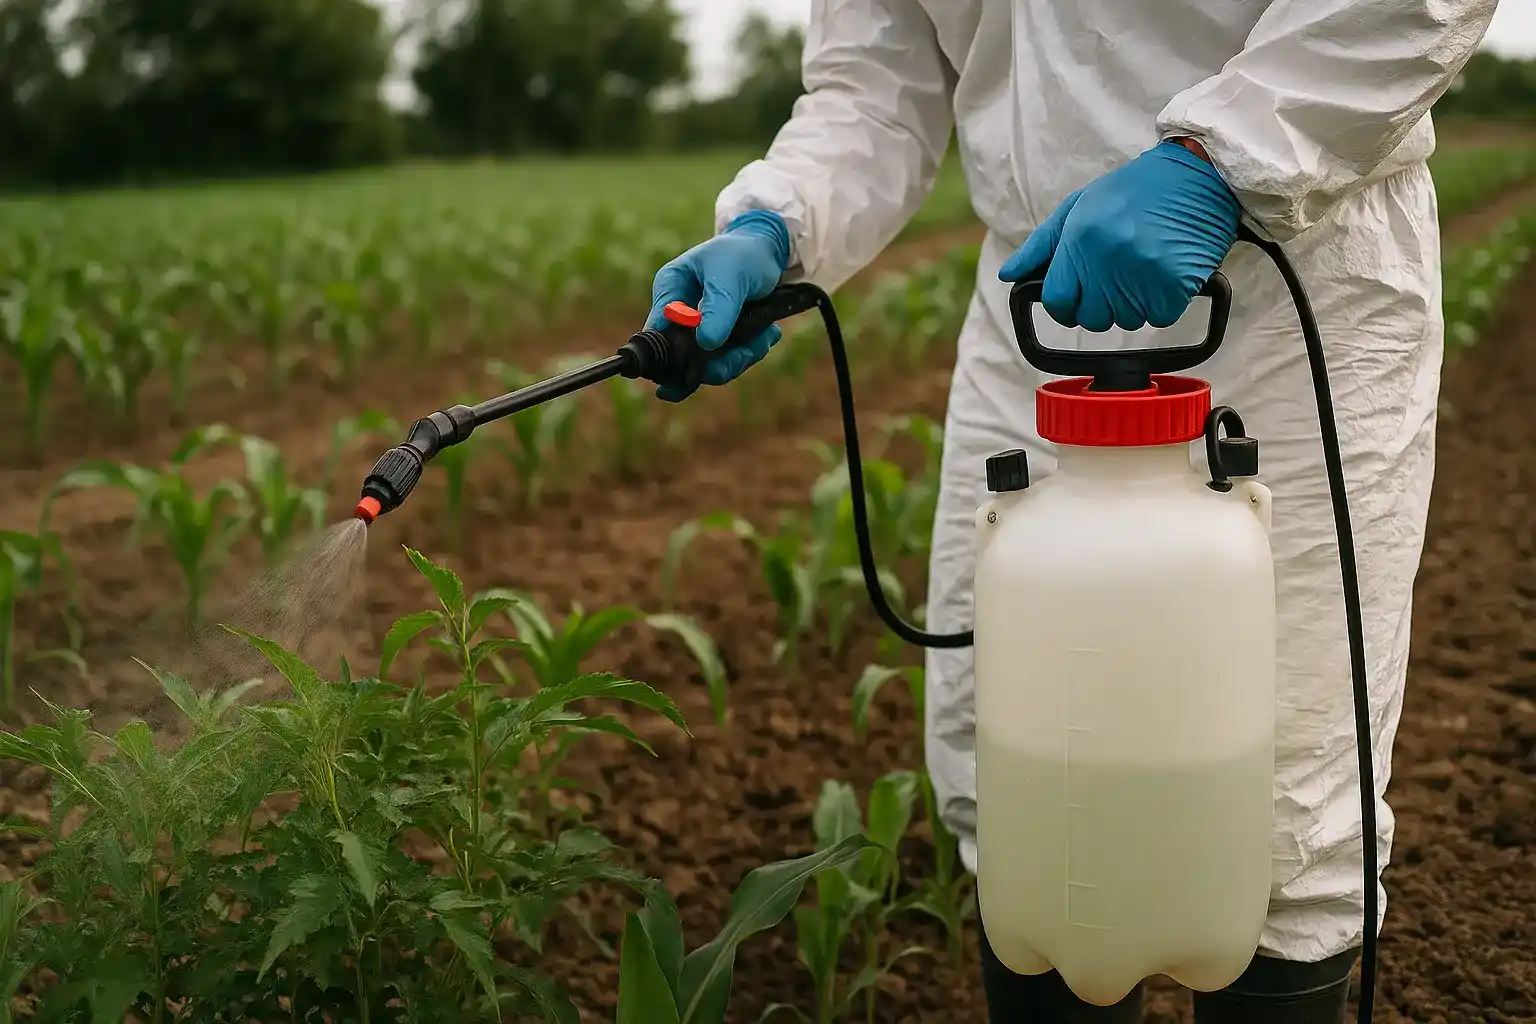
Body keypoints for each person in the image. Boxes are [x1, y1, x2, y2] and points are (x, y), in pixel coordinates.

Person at [645, 2, 1498, 1020]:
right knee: (1012, 778)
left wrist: (1226, 157)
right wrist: (774, 223)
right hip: (1040, 304)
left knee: (1288, 796)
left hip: (1293, 276)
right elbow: (875, 86)